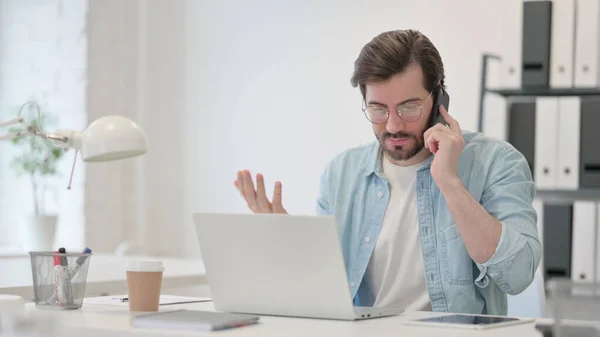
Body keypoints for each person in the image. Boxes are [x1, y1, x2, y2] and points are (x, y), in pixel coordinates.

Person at [234, 29, 541, 315]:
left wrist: (449, 181)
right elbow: (329, 294)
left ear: (439, 101)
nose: (393, 125)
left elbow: (517, 276)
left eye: (409, 108)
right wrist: (286, 247)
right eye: (378, 109)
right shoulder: (341, 173)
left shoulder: (497, 162)